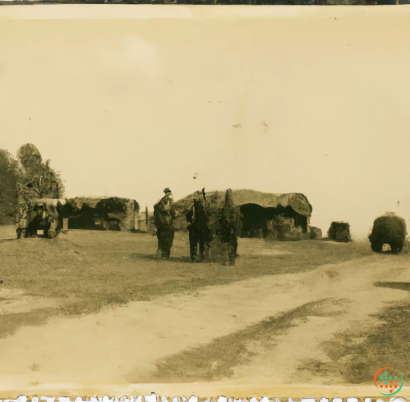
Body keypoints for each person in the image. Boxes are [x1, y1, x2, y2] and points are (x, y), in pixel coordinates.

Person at [186, 188, 210, 263]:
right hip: (196, 227)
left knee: (201, 242)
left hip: (201, 227)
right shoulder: (193, 207)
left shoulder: (204, 206)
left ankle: (200, 256)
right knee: (195, 242)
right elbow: (188, 216)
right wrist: (191, 221)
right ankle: (194, 257)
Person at [220, 189, 242, 266]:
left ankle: (229, 261)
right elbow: (237, 219)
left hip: (229, 228)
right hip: (230, 228)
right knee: (230, 244)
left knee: (227, 244)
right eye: (228, 195)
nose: (229, 196)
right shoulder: (233, 207)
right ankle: (230, 261)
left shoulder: (226, 206)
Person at [153, 188, 176, 259]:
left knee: (163, 239)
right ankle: (164, 254)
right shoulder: (168, 201)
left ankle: (163, 253)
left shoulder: (160, 202)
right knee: (167, 239)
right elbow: (170, 212)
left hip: (162, 224)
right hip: (166, 224)